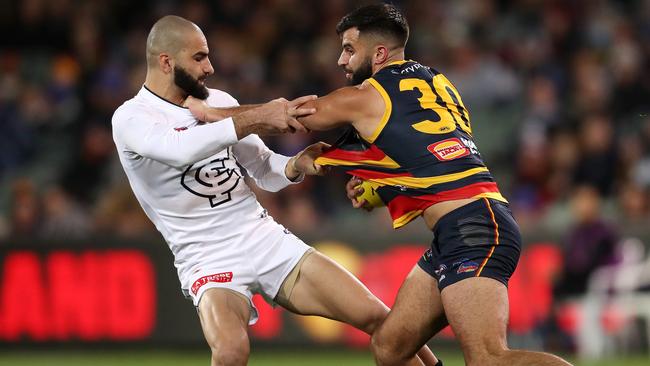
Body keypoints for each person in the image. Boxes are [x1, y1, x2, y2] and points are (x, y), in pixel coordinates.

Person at [188, 4, 572, 366]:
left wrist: (213, 114)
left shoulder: (368, 94)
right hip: (465, 224)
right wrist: (380, 184)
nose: (341, 60)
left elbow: (288, 117)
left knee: (487, 358)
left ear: (380, 53)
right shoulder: (438, 82)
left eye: (349, 49)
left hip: (473, 229)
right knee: (390, 347)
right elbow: (428, 153)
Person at [112, 15, 438, 366]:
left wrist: (296, 164)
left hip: (263, 238)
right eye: (199, 57)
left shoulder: (216, 100)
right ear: (166, 61)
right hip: (206, 257)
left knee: (380, 318)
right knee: (231, 352)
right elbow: (179, 150)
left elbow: (264, 168)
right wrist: (259, 116)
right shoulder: (132, 118)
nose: (209, 67)